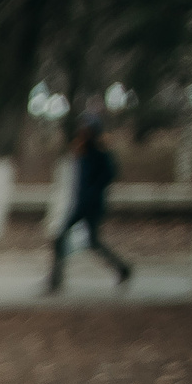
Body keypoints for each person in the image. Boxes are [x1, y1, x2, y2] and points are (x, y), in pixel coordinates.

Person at [45, 117, 132, 292]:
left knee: (69, 238)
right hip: (81, 204)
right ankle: (122, 269)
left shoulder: (100, 152)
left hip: (92, 205)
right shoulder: (82, 149)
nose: (83, 132)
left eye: (86, 129)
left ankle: (56, 281)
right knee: (77, 240)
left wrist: (92, 192)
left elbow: (110, 174)